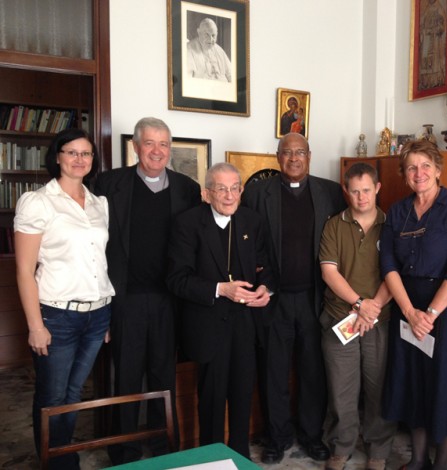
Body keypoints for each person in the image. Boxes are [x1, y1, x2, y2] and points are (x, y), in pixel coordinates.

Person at [94, 117, 201, 464]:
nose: (157, 151)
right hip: (125, 298)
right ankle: (124, 451)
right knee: (125, 378)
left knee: (163, 378)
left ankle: (163, 448)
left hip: (169, 300)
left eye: (164, 144)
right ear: (136, 147)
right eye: (150, 143)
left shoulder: (187, 188)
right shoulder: (109, 184)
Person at [242, 132, 346, 464]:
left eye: (300, 152)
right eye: (287, 153)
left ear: (310, 156)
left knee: (313, 372)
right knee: (273, 372)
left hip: (316, 297)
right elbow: (247, 239)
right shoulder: (258, 192)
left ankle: (311, 435)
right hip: (275, 299)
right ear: (277, 157)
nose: (294, 158)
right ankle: (277, 437)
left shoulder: (329, 191)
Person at [14, 128, 115, 470]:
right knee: (52, 396)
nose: (79, 159)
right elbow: (25, 271)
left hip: (98, 314)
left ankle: (62, 456)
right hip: (56, 315)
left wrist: (104, 314)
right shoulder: (38, 201)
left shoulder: (100, 203)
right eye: (71, 152)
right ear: (57, 156)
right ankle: (56, 463)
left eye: (85, 153)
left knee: (73, 395)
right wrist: (35, 326)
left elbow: (100, 262)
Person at [380, 139, 447, 470]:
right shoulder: (397, 211)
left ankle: (443, 463)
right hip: (407, 306)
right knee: (413, 383)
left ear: (437, 169)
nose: (418, 173)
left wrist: (430, 314)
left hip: (446, 310)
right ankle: (418, 459)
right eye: (411, 167)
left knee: (445, 383)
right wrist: (409, 313)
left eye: (425, 166)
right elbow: (388, 266)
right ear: (404, 174)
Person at [167, 163, 274, 458]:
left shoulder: (253, 221)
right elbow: (177, 279)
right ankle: (211, 460)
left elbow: (266, 266)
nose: (229, 196)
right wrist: (219, 289)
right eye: (221, 189)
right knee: (212, 400)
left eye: (235, 188)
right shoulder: (187, 223)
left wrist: (266, 289)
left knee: (242, 397)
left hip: (245, 325)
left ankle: (239, 457)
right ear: (206, 193)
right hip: (208, 326)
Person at [319, 163, 396, 470]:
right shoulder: (334, 225)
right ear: (345, 191)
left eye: (366, 190)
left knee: (378, 388)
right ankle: (341, 446)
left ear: (378, 188)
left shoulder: (393, 224)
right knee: (341, 390)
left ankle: (378, 449)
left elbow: (395, 272)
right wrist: (359, 303)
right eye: (354, 191)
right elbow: (329, 272)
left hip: (380, 319)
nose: (361, 197)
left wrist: (372, 307)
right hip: (341, 318)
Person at [187, 17, 232, 82]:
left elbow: (231, 75)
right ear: (199, 32)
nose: (210, 39)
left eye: (213, 35)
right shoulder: (189, 48)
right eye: (206, 35)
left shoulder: (220, 50)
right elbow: (188, 80)